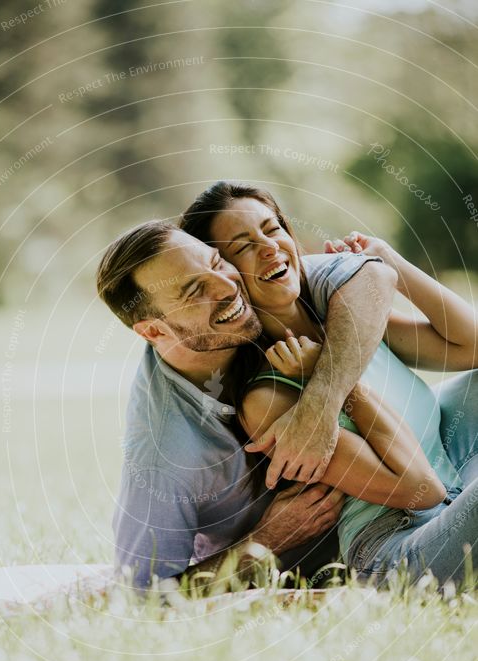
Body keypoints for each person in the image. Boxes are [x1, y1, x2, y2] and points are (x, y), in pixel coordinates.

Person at [179, 182, 478, 586]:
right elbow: (419, 490)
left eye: (272, 229)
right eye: (243, 246)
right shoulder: (266, 396)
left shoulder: (347, 324)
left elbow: (470, 347)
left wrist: (390, 263)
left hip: (456, 492)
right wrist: (334, 385)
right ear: (225, 276)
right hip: (396, 549)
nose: (269, 247)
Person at [96, 215, 397, 590]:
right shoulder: (164, 454)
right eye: (194, 291)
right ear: (155, 330)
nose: (228, 286)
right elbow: (144, 595)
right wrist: (268, 539)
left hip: (414, 468)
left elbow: (372, 277)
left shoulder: (250, 295)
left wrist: (322, 398)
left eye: (215, 263)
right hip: (359, 553)